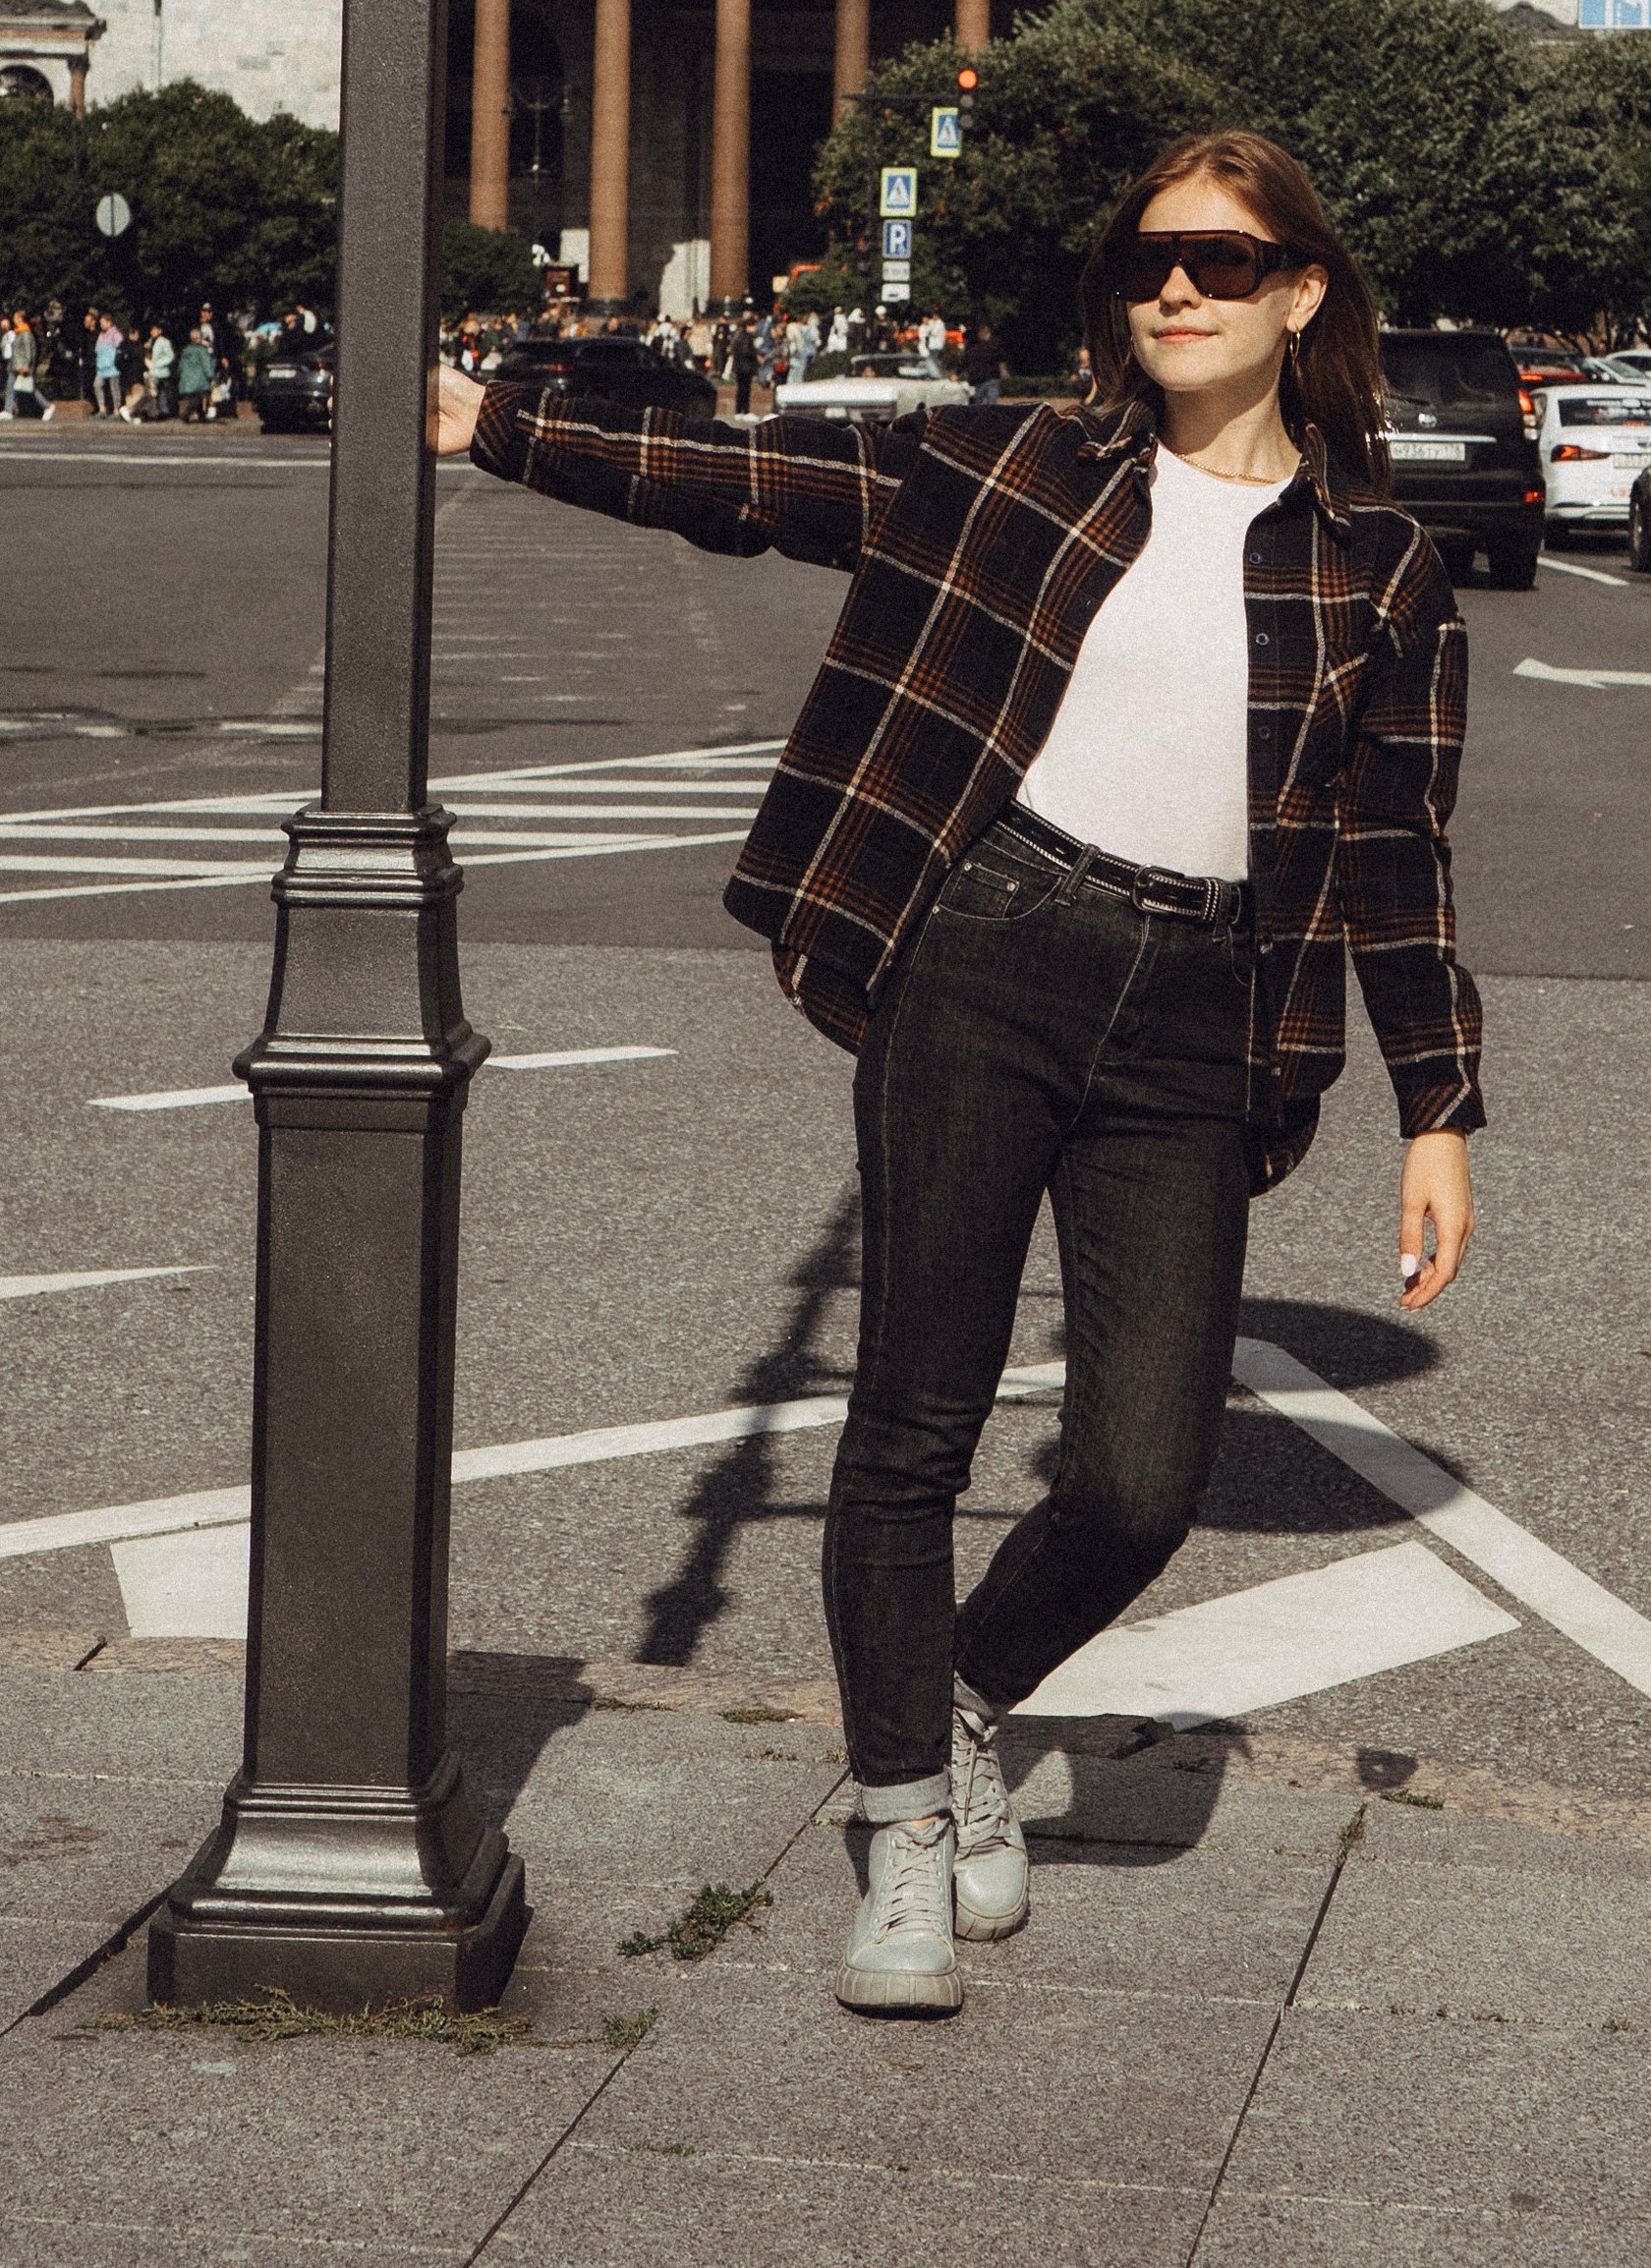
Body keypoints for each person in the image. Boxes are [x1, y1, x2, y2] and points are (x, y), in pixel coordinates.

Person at [430, 129, 1481, 2023]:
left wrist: (1442, 1108)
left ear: (1304, 295)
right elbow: (753, 477)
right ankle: (903, 1815)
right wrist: (494, 423)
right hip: (983, 954)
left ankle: (958, 1693)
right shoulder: (1013, 468)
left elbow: (1399, 858)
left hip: (1201, 1019)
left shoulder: (1381, 567)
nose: (1173, 288)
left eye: (1222, 263)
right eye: (1149, 257)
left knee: (1146, 1476)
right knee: (915, 1421)